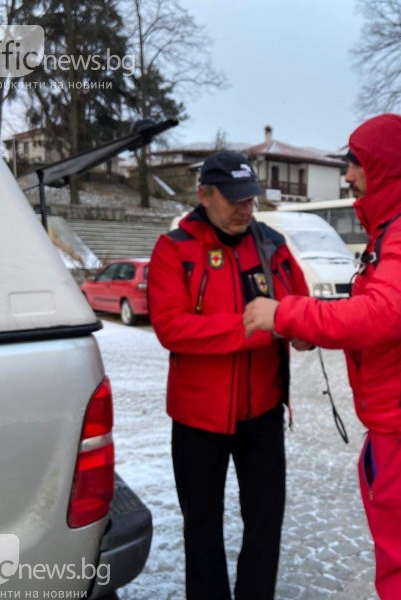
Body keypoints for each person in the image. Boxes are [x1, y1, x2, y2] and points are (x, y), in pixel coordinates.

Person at [243, 114, 401, 600]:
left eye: (355, 163)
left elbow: (382, 316)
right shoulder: (398, 228)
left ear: (381, 166)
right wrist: (316, 327)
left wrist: (284, 314)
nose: (347, 175)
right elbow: (385, 319)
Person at [147, 150, 309, 600]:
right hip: (198, 421)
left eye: (251, 199)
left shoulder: (272, 245)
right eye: (234, 199)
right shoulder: (174, 248)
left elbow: (300, 306)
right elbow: (173, 329)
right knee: (202, 528)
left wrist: (303, 328)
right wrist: (256, 327)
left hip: (262, 415)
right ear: (205, 194)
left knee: (264, 525)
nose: (245, 209)